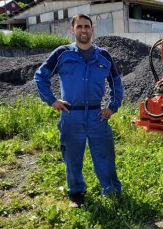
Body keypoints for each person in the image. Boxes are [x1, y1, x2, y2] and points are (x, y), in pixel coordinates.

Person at [34, 14, 124, 208]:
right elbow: (40, 76)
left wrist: (112, 106)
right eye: (80, 26)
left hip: (96, 116)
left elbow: (116, 82)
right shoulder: (63, 54)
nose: (84, 30)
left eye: (87, 27)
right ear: (73, 30)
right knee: (72, 157)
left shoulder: (104, 56)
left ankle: (111, 191)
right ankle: (76, 193)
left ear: (92, 30)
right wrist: (52, 100)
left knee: (105, 156)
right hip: (71, 115)